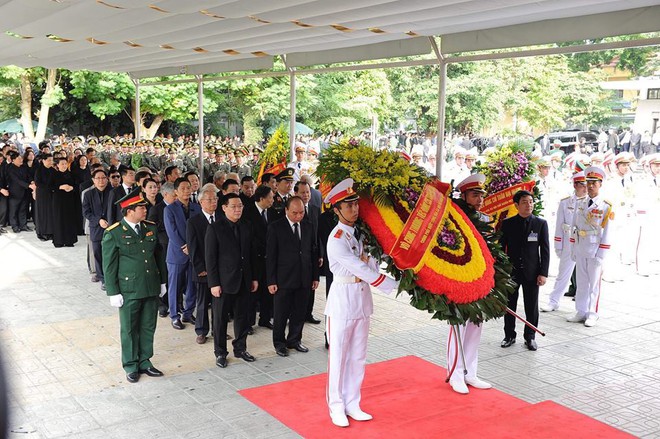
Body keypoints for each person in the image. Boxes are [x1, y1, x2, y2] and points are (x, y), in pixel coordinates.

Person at [324, 178, 398, 428]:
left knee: (358, 355)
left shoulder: (361, 233)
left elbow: (374, 261)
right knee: (339, 357)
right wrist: (392, 284)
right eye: (348, 206)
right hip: (343, 300)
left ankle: (353, 402)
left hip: (361, 300)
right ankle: (336, 405)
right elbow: (359, 267)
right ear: (337, 210)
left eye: (355, 204)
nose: (354, 209)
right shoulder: (336, 238)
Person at [102, 187, 167, 383]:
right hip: (129, 289)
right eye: (140, 207)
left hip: (150, 285)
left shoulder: (150, 227)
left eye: (144, 207)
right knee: (129, 328)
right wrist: (113, 292)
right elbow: (109, 265)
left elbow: (158, 257)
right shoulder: (113, 233)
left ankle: (145, 361)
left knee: (148, 325)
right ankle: (131, 364)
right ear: (129, 210)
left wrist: (163, 281)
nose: (145, 210)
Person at [447, 174, 492, 394]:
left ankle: (470, 373)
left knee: (476, 324)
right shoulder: (455, 218)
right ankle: (455, 373)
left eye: (481, 196)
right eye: (475, 195)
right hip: (460, 278)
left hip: (479, 279)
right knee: (458, 326)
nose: (479, 200)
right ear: (464, 196)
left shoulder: (484, 219)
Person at [205, 193, 259, 368]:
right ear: (224, 208)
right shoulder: (215, 228)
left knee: (243, 317)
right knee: (220, 320)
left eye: (240, 206)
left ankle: (241, 348)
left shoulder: (247, 225)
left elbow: (251, 255)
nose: (238, 210)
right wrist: (214, 284)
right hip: (223, 282)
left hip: (244, 280)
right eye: (234, 206)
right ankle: (220, 352)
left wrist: (254, 278)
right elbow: (210, 259)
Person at [267, 196, 319, 357]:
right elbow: (271, 256)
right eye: (295, 213)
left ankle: (295, 340)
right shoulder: (276, 227)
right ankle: (279, 343)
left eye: (301, 212)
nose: (298, 216)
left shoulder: (308, 226)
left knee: (299, 312)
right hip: (283, 279)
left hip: (304, 277)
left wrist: (315, 277)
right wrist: (271, 280)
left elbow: (313, 252)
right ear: (286, 211)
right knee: (281, 313)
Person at [499, 190, 550, 351]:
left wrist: (543, 273)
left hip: (532, 273)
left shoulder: (540, 224)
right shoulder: (508, 224)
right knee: (510, 305)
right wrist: (501, 271)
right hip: (511, 272)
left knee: (531, 306)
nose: (529, 205)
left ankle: (530, 337)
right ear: (516, 205)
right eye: (524, 202)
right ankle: (509, 335)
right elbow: (500, 249)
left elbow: (545, 250)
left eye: (530, 201)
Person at [568, 166, 613, 327]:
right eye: (589, 183)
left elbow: (608, 231)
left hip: (594, 250)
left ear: (600, 184)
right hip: (580, 248)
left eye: (595, 183)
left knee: (594, 284)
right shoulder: (580, 203)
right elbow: (574, 227)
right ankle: (581, 311)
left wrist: (602, 253)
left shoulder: (606, 206)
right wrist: (572, 247)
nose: (591, 186)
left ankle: (592, 313)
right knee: (581, 282)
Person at [541, 171, 588, 312]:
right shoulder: (565, 202)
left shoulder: (590, 203)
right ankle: (553, 301)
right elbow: (559, 225)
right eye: (582, 185)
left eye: (587, 185)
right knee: (563, 274)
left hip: (584, 243)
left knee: (584, 276)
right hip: (569, 242)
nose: (585, 188)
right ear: (575, 185)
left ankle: (583, 308)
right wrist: (558, 245)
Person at [164, 177, 201, 329]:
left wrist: (193, 248)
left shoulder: (196, 208)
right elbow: (171, 233)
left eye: (189, 188)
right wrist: (184, 247)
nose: (186, 191)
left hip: (194, 254)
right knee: (174, 286)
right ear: (176, 191)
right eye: (183, 188)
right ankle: (174, 316)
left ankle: (188, 313)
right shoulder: (170, 209)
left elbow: (200, 230)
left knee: (193, 285)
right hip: (176, 254)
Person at [186, 183, 218, 344]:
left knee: (219, 303)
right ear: (201, 202)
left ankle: (218, 330)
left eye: (215, 198)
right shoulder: (194, 221)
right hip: (203, 270)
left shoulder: (222, 217)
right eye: (210, 199)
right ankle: (201, 331)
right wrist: (200, 268)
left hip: (220, 269)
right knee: (203, 302)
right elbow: (193, 248)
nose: (214, 202)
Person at [243, 184, 275, 330]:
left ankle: (265, 318)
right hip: (253, 259)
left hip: (269, 259)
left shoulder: (273, 212)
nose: (272, 200)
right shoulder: (247, 212)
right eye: (270, 198)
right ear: (261, 198)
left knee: (267, 291)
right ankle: (249, 322)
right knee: (252, 292)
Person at [294, 180, 323, 324]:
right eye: (302, 192)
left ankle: (308, 313)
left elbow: (319, 234)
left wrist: (320, 254)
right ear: (296, 193)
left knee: (312, 284)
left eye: (308, 192)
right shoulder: (291, 210)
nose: (306, 195)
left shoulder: (315, 208)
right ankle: (294, 314)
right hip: (296, 256)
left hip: (312, 254)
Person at [82, 169, 112, 288]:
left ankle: (111, 277)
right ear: (93, 180)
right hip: (96, 228)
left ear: (107, 179)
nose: (101, 181)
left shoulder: (112, 192)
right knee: (98, 254)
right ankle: (102, 278)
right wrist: (98, 220)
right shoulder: (88, 194)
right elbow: (86, 212)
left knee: (110, 254)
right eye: (98, 178)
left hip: (111, 227)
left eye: (103, 178)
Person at [51, 157, 79, 247]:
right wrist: (59, 187)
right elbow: (49, 187)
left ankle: (69, 241)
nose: (64, 165)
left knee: (69, 219)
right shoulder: (54, 175)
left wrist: (72, 188)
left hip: (70, 200)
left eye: (65, 164)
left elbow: (77, 185)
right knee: (59, 219)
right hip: (58, 200)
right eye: (62, 164)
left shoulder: (72, 174)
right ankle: (58, 241)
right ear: (58, 165)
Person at [34, 153, 55, 241]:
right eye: (49, 160)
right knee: (42, 213)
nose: (51, 162)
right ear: (43, 161)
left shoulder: (52, 170)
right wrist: (49, 187)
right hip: (42, 194)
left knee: (50, 213)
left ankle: (50, 232)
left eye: (51, 160)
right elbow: (38, 183)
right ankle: (41, 233)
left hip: (51, 194)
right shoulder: (39, 170)